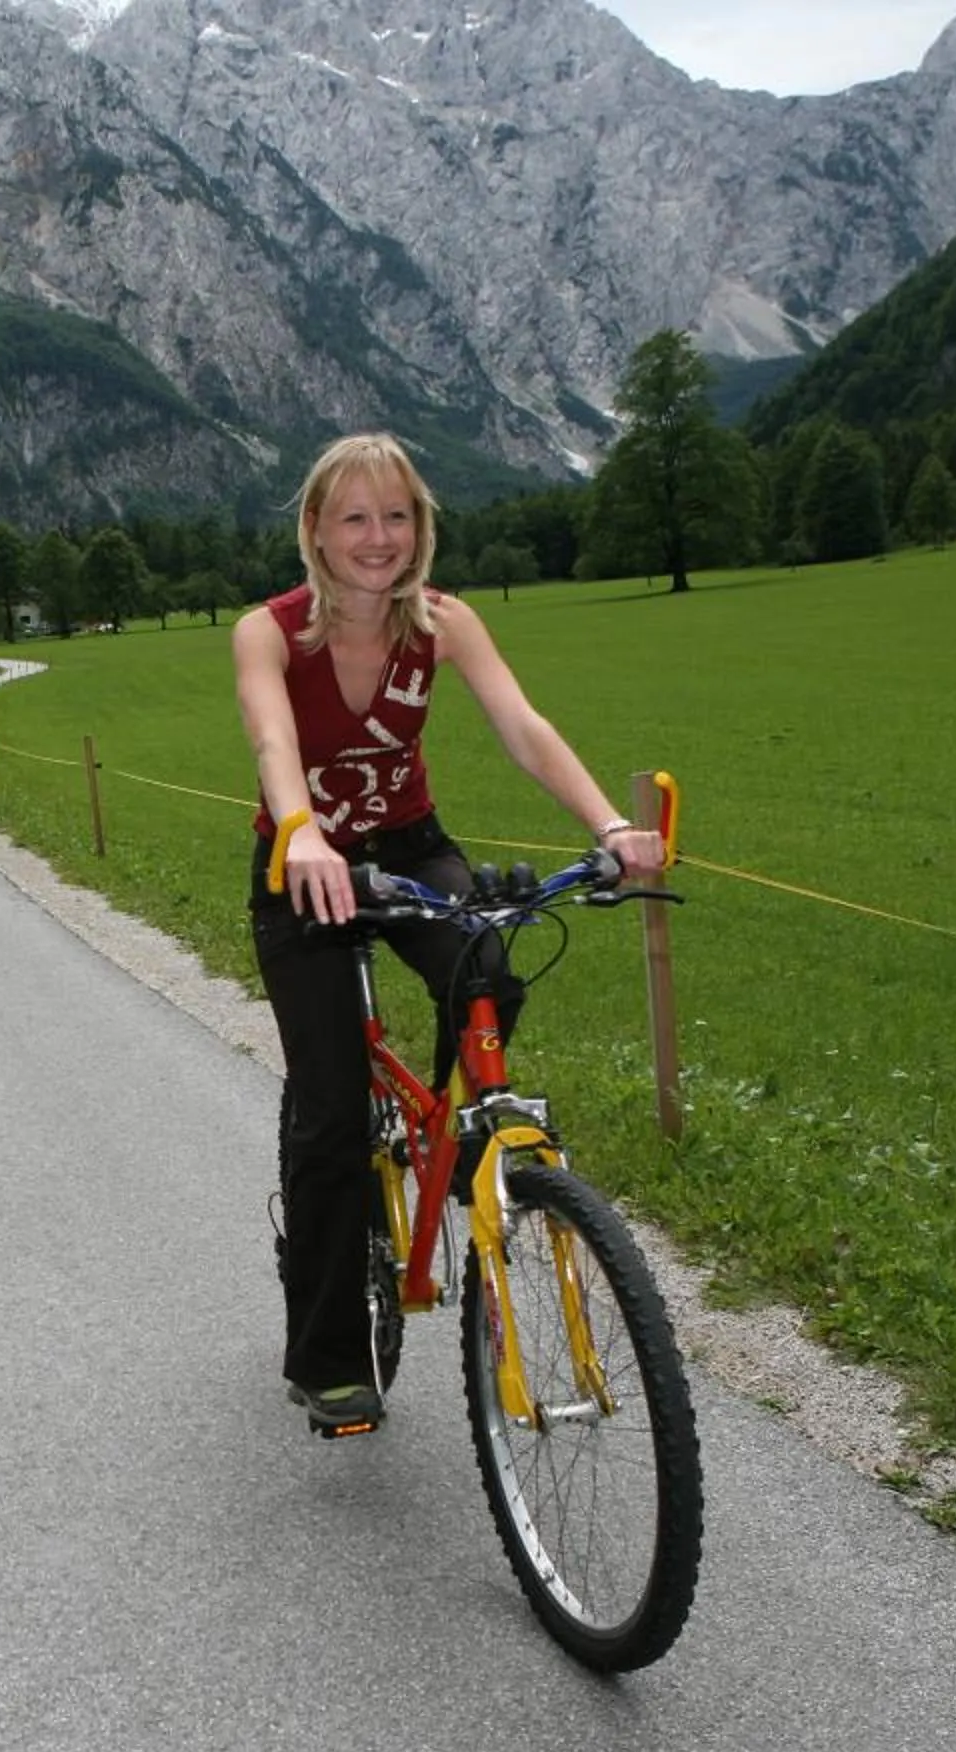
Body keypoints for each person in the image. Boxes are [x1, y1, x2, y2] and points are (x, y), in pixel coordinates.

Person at [238, 433, 664, 1438]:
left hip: (411, 847)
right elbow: (272, 739)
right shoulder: (270, 631)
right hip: (303, 869)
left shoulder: (444, 624)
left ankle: (446, 1142)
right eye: (356, 516)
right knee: (331, 1115)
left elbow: (522, 725)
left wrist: (608, 827)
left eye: (398, 516)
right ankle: (331, 1356)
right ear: (316, 531)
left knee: (490, 966)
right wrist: (301, 833)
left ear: (420, 529)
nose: (378, 536)